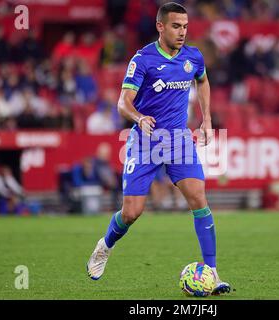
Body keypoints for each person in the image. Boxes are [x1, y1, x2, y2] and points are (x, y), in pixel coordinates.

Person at [86, 2, 231, 295]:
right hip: (145, 141)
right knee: (132, 213)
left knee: (199, 199)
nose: (182, 32)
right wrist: (140, 117)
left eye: (186, 27)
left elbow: (202, 81)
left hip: (178, 140)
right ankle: (105, 245)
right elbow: (122, 103)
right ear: (160, 26)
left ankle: (212, 273)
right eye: (176, 26)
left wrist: (207, 119)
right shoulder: (143, 59)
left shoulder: (193, 56)